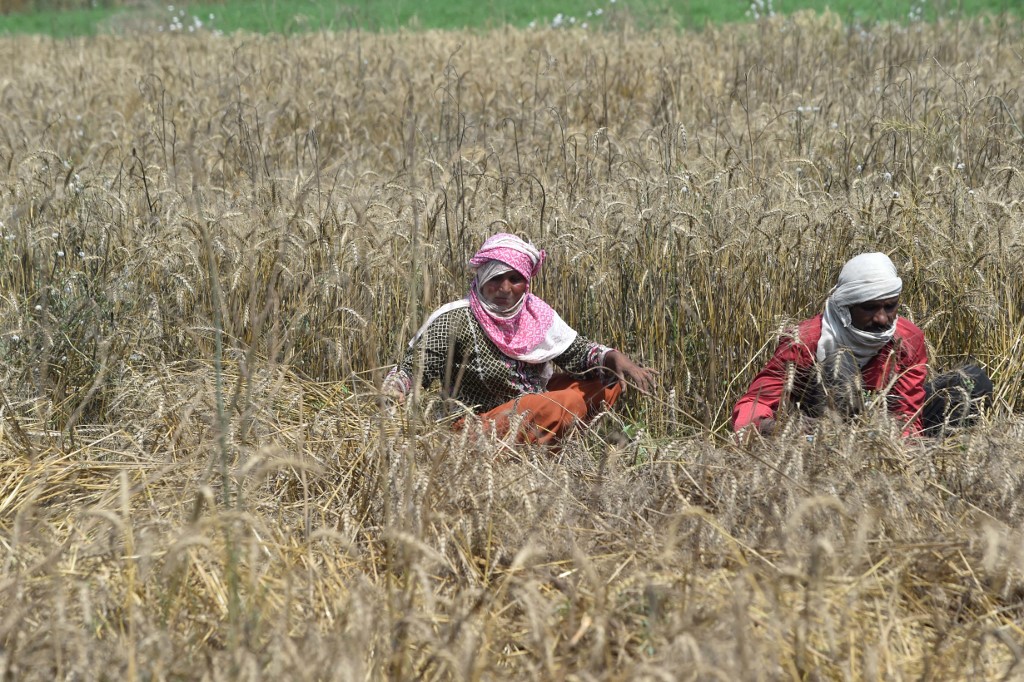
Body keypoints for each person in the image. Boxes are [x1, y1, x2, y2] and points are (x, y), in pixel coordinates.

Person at [383, 233, 656, 444]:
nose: (504, 288)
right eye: (496, 277)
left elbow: (576, 351)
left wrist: (612, 357)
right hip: (478, 425)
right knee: (564, 404)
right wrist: (394, 390)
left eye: (515, 279)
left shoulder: (535, 314)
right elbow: (415, 367)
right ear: (480, 276)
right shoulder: (456, 319)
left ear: (526, 281)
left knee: (607, 382)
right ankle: (539, 434)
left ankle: (546, 434)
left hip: (530, 403)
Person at [732, 252, 992, 437]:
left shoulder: (908, 338)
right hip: (822, 431)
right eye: (869, 308)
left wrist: (899, 444)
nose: (882, 318)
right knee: (839, 364)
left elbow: (906, 412)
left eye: (890, 307)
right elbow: (755, 403)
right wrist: (776, 428)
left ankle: (936, 462)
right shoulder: (806, 339)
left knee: (972, 381)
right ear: (846, 308)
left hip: (882, 429)